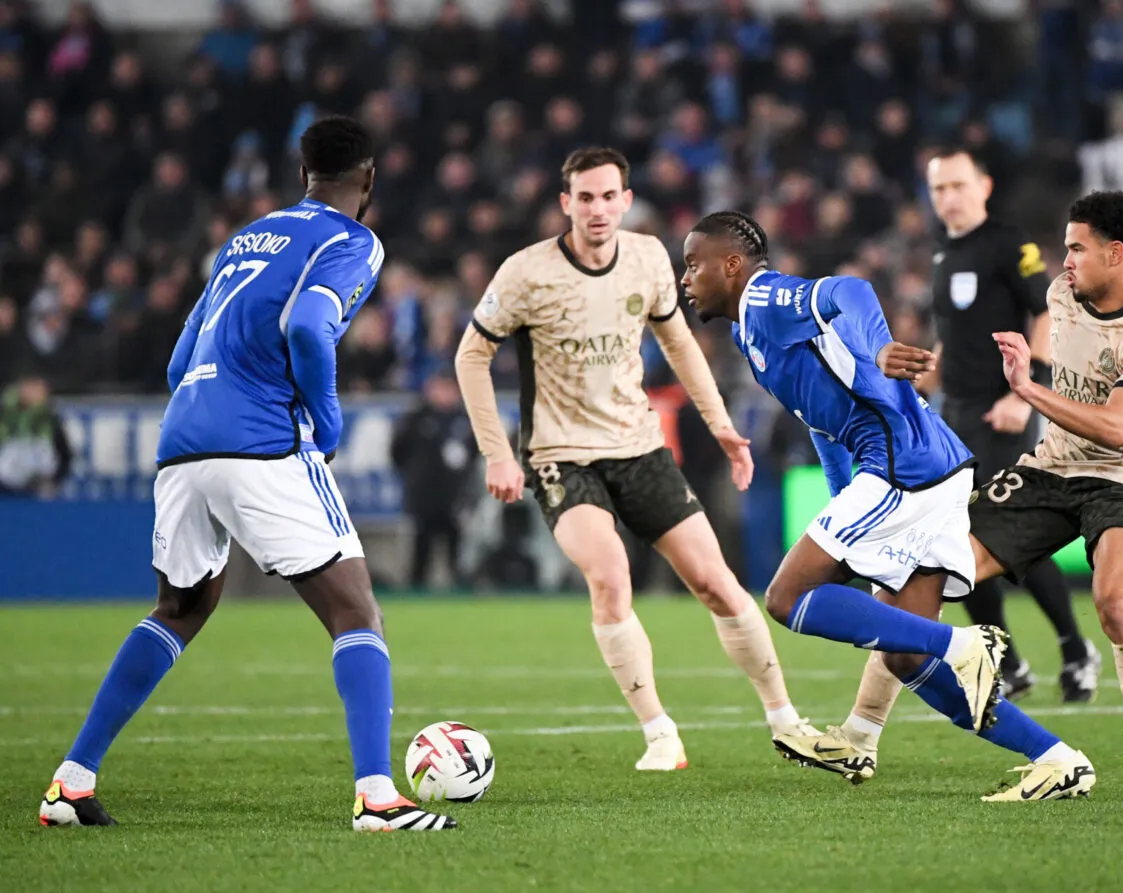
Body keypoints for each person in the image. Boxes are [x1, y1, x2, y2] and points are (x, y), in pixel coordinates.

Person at [38, 116, 456, 832]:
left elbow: (177, 359)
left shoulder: (244, 239)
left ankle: (70, 784)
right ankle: (377, 797)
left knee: (180, 609)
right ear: (370, 179)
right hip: (260, 439)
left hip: (184, 436)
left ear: (302, 175)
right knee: (357, 610)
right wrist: (325, 419)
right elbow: (307, 326)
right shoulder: (352, 239)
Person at [681, 210, 1096, 802]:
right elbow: (823, 426)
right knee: (903, 655)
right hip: (925, 464)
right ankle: (1058, 759)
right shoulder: (750, 334)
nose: (685, 278)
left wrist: (877, 349)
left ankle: (967, 645)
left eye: (693, 264)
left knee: (785, 597)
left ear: (732, 265)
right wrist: (840, 502)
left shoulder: (767, 297)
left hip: (903, 462)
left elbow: (849, 290)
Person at [790, 191, 1123, 800]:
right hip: (1050, 469)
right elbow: (1011, 334)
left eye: (1077, 249)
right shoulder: (1061, 295)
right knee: (918, 577)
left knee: (1115, 607)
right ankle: (858, 736)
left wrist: (1023, 390)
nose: (1065, 262)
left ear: (1116, 254)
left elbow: (1116, 426)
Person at [455, 147, 822, 772]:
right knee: (610, 576)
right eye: (585, 198)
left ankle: (787, 719)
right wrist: (496, 454)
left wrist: (723, 427)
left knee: (718, 584)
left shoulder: (649, 257)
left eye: (609, 197)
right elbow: (471, 356)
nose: (598, 209)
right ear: (566, 203)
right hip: (561, 456)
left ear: (626, 201)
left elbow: (677, 340)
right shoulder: (525, 273)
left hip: (640, 448)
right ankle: (660, 734)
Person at [926, 150, 1099, 704]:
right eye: (938, 189)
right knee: (960, 541)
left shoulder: (1009, 244)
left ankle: (1075, 649)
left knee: (1008, 532)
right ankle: (1008, 660)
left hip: (1000, 413)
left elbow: (1047, 310)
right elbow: (956, 334)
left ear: (984, 185)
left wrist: (1025, 395)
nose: (947, 197)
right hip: (954, 415)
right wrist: (929, 373)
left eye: (957, 184)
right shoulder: (942, 255)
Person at [391, 368, 477, 589]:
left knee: (457, 552)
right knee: (421, 549)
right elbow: (397, 453)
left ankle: (460, 593)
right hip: (424, 496)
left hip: (455, 498)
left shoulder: (464, 420)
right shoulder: (415, 418)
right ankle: (415, 590)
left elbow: (475, 455)